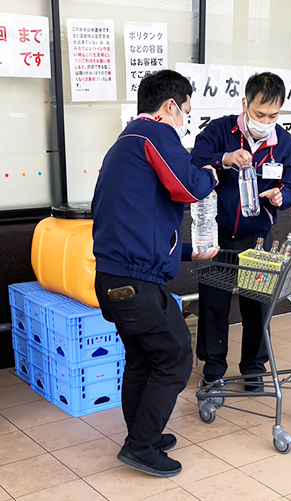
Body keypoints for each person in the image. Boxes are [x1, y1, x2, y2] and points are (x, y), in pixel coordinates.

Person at [92, 70, 219, 477]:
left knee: (143, 360)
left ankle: (143, 433)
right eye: (186, 111)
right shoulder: (154, 135)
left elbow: (139, 224)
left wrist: (187, 252)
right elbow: (188, 186)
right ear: (170, 107)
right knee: (176, 356)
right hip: (136, 282)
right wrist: (213, 174)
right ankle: (140, 445)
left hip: (114, 278)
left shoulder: (122, 146)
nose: (185, 120)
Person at [191, 72, 291, 391]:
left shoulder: (284, 144)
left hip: (257, 237)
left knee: (257, 302)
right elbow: (194, 163)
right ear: (245, 104)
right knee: (214, 302)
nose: (266, 121)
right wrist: (224, 159)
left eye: (273, 115)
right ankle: (213, 367)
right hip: (218, 233)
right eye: (259, 114)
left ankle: (253, 367)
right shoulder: (219, 131)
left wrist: (283, 196)